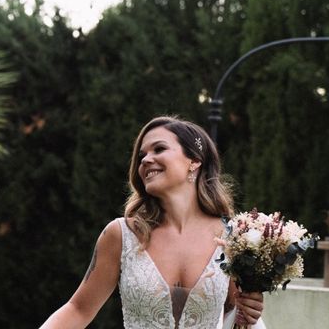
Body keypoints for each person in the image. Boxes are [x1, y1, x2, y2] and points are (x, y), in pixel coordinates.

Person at [40, 115, 265, 329]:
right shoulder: (122, 234)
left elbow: (234, 311)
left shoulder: (233, 237)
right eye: (141, 156)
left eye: (159, 149)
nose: (146, 160)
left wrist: (248, 308)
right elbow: (78, 309)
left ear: (194, 161)